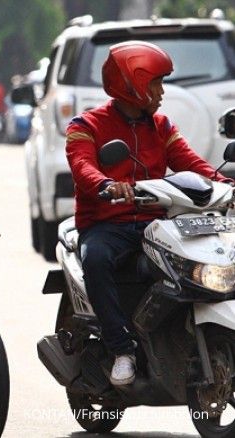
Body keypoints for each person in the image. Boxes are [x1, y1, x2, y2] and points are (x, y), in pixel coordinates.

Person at [65, 41, 232, 386]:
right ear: (132, 85)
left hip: (156, 222)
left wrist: (224, 185)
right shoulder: (87, 125)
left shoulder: (161, 126)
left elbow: (192, 164)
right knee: (95, 260)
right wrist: (107, 184)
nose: (160, 92)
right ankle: (122, 349)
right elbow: (82, 165)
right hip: (107, 225)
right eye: (155, 84)